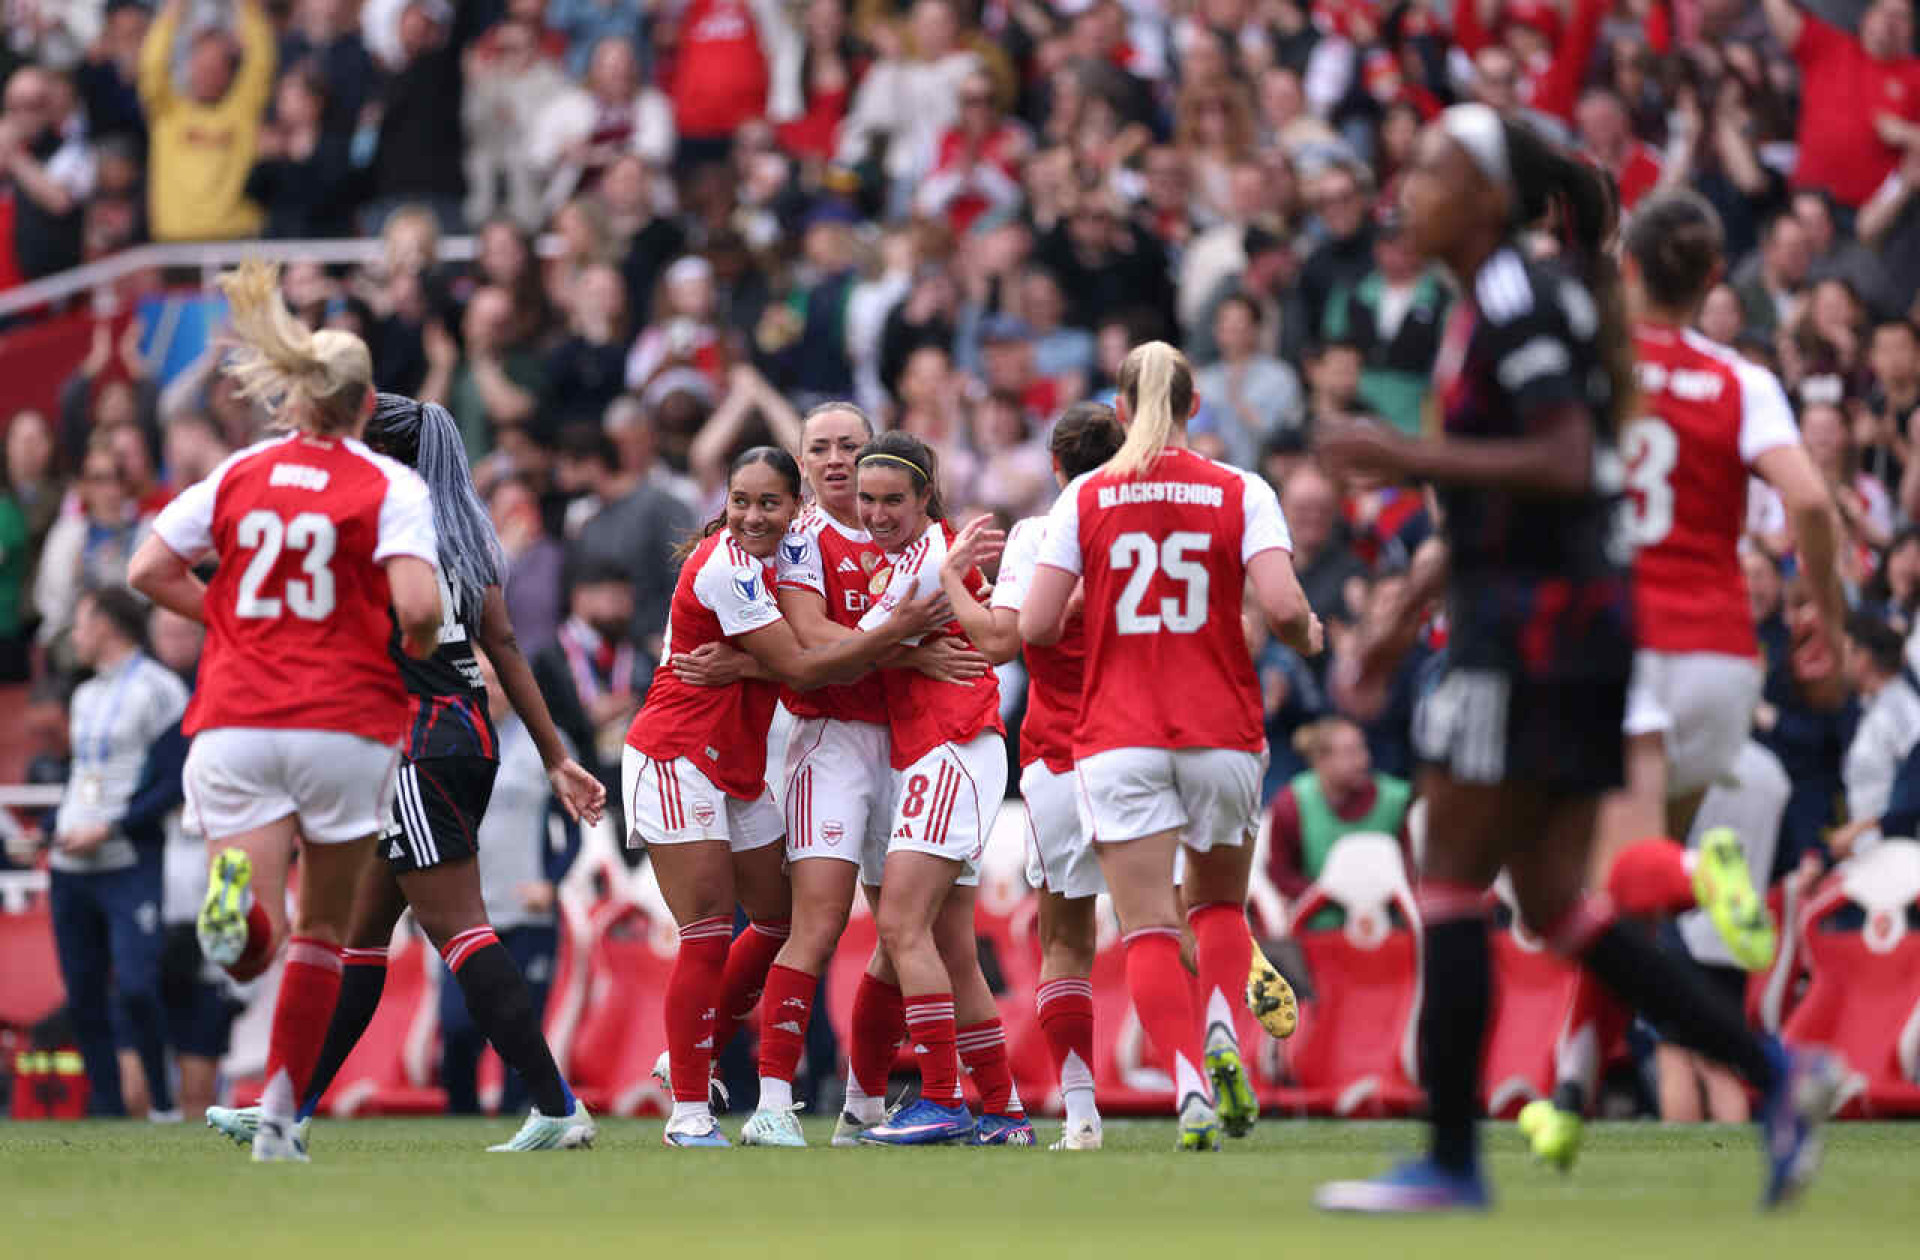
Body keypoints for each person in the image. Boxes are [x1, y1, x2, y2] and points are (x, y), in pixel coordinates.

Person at [1312, 105, 1840, 1212]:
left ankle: (1453, 1160)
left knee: (1450, 872)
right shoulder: (1507, 298)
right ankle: (1781, 1073)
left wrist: (1403, 452)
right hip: (1574, 624)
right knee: (1558, 899)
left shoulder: (1514, 295)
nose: (1411, 183)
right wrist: (1409, 615)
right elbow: (1510, 489)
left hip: (1542, 631)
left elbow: (1561, 457)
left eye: (1439, 167)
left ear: (1493, 199)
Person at [1519, 189, 1847, 1170]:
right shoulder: (1741, 380)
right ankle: (1569, 1099)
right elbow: (1811, 503)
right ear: (1712, 279)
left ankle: (1711, 876)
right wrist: (1820, 619)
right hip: (1724, 656)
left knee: (1608, 879)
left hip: (1624, 647)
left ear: (1627, 271)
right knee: (1627, 906)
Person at [201, 393, 605, 1154]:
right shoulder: (464, 534)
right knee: (357, 942)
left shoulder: (379, 534)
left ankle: (555, 1107)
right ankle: (291, 1104)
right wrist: (556, 756)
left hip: (415, 744)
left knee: (459, 930)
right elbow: (507, 647)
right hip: (462, 737)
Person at [127, 262, 444, 1163]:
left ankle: (238, 912)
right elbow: (419, 607)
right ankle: (275, 1122)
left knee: (250, 944)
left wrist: (225, 616)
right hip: (341, 722)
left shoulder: (239, 471)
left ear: (298, 396)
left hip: (234, 717)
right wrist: (411, 650)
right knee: (323, 929)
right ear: (365, 399)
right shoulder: (388, 485)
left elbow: (144, 571)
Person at [1019, 342, 1322, 1150]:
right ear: (1197, 408)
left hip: (1118, 733)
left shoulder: (1086, 497)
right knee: (1218, 906)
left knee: (1148, 924)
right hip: (1221, 725)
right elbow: (1286, 610)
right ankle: (1225, 1033)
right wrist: (1311, 633)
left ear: (1119, 414)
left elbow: (1037, 625)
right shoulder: (1241, 489)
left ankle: (1188, 1081)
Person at [666, 403, 990, 1149]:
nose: (838, 458)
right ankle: (772, 1096)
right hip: (829, 743)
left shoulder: (909, 535)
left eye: (851, 444)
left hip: (910, 747)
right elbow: (807, 644)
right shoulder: (797, 539)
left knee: (900, 934)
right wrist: (907, 648)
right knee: (814, 922)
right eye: (822, 447)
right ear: (803, 461)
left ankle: (862, 1106)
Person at [930, 401, 1124, 1150]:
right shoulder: (1151, 535)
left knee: (1066, 941)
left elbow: (998, 642)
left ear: (1054, 467)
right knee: (1169, 924)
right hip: (1144, 748)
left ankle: (1080, 1113)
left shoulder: (1041, 536)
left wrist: (954, 579)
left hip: (1056, 756)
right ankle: (1203, 1068)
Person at [831, 431, 1025, 1148]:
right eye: (867, 499)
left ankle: (942, 1097)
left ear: (924, 499)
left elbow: (840, 657)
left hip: (952, 749)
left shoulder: (928, 560)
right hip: (944, 754)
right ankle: (1004, 1113)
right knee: (951, 946)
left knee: (900, 927)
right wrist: (910, 647)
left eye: (893, 502)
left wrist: (891, 644)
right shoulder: (913, 557)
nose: (877, 514)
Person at [46, 586, 189, 1119]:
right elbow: (85, 777)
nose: (77, 637)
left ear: (106, 625)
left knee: (135, 986)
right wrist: (55, 824)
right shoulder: (84, 695)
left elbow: (174, 782)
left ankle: (163, 1102)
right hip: (70, 865)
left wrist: (111, 828)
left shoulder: (161, 689)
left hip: (127, 861)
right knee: (82, 994)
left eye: (82, 624)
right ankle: (106, 1107)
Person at [439, 649, 581, 1116]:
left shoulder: (547, 744)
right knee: (458, 1026)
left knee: (521, 1025)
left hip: (527, 913)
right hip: (463, 911)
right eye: (480, 681)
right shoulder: (444, 741)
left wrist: (553, 883)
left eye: (500, 681)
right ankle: (459, 1120)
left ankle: (528, 1117)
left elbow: (576, 829)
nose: (490, 691)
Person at [137, 0, 277, 242]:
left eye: (215, 67)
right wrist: (172, 12)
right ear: (189, 66)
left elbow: (262, 60)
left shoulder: (243, 110)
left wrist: (248, 7)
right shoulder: (167, 112)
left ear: (229, 72)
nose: (206, 74)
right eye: (200, 65)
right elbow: (151, 67)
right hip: (178, 241)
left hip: (235, 237)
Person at [1265, 717, 1411, 905]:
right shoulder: (1291, 804)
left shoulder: (1397, 801)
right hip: (1320, 919)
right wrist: (1336, 896)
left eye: (1363, 748)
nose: (1363, 760)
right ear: (1320, 760)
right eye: (1350, 753)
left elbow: (1412, 871)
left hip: (1388, 919)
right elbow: (1280, 875)